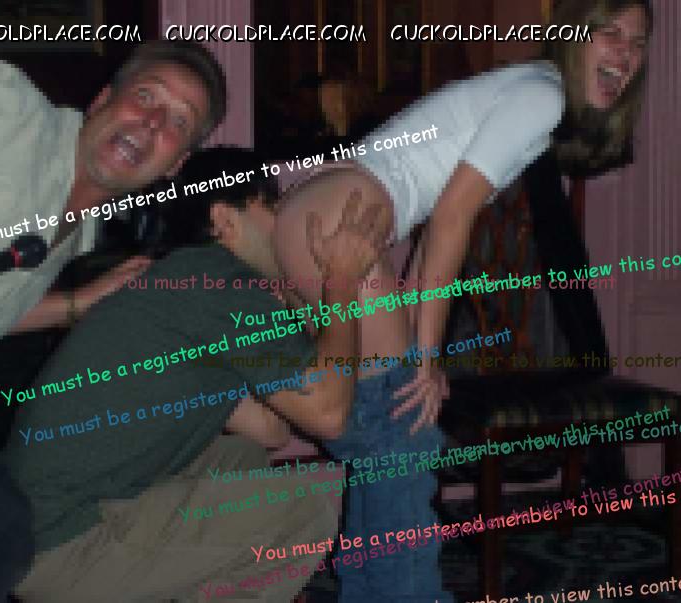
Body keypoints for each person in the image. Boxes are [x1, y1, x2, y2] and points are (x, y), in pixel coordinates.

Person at [272, 2, 653, 601]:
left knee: (387, 443)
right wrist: (425, 358)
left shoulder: (531, 92)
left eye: (638, 41)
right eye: (611, 33)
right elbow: (452, 217)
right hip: (343, 219)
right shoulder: (543, 96)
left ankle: (372, 588)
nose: (626, 54)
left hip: (328, 216)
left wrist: (422, 348)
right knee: (403, 434)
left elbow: (437, 223)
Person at [1, 146, 391, 602]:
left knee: (240, 461)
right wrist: (341, 283)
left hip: (32, 525)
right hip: (62, 541)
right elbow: (327, 414)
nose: (286, 224)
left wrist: (299, 300)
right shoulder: (222, 284)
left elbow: (271, 430)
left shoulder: (191, 283)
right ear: (225, 219)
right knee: (307, 508)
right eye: (273, 207)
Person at [0, 40, 226, 602]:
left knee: (1, 540)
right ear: (100, 101)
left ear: (175, 165)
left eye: (178, 122)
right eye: (146, 96)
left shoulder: (75, 237)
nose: (153, 121)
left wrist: (77, 304)